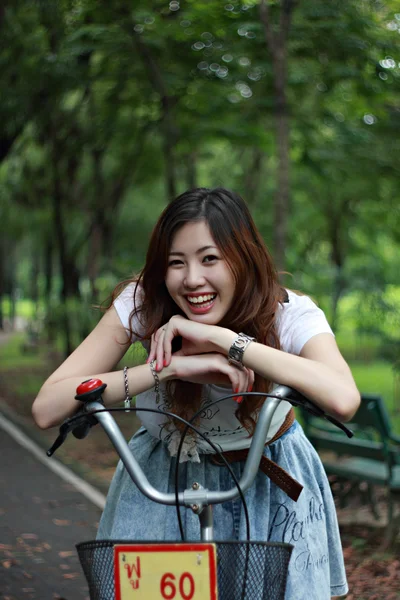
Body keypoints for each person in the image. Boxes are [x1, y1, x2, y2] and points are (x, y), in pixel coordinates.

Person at [32, 188, 360, 599]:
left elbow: (343, 398)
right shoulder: (143, 303)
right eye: (176, 262)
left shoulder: (288, 312)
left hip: (269, 483)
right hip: (160, 481)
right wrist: (167, 368)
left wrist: (223, 340)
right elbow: (48, 406)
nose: (192, 280)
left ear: (243, 257)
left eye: (210, 258)